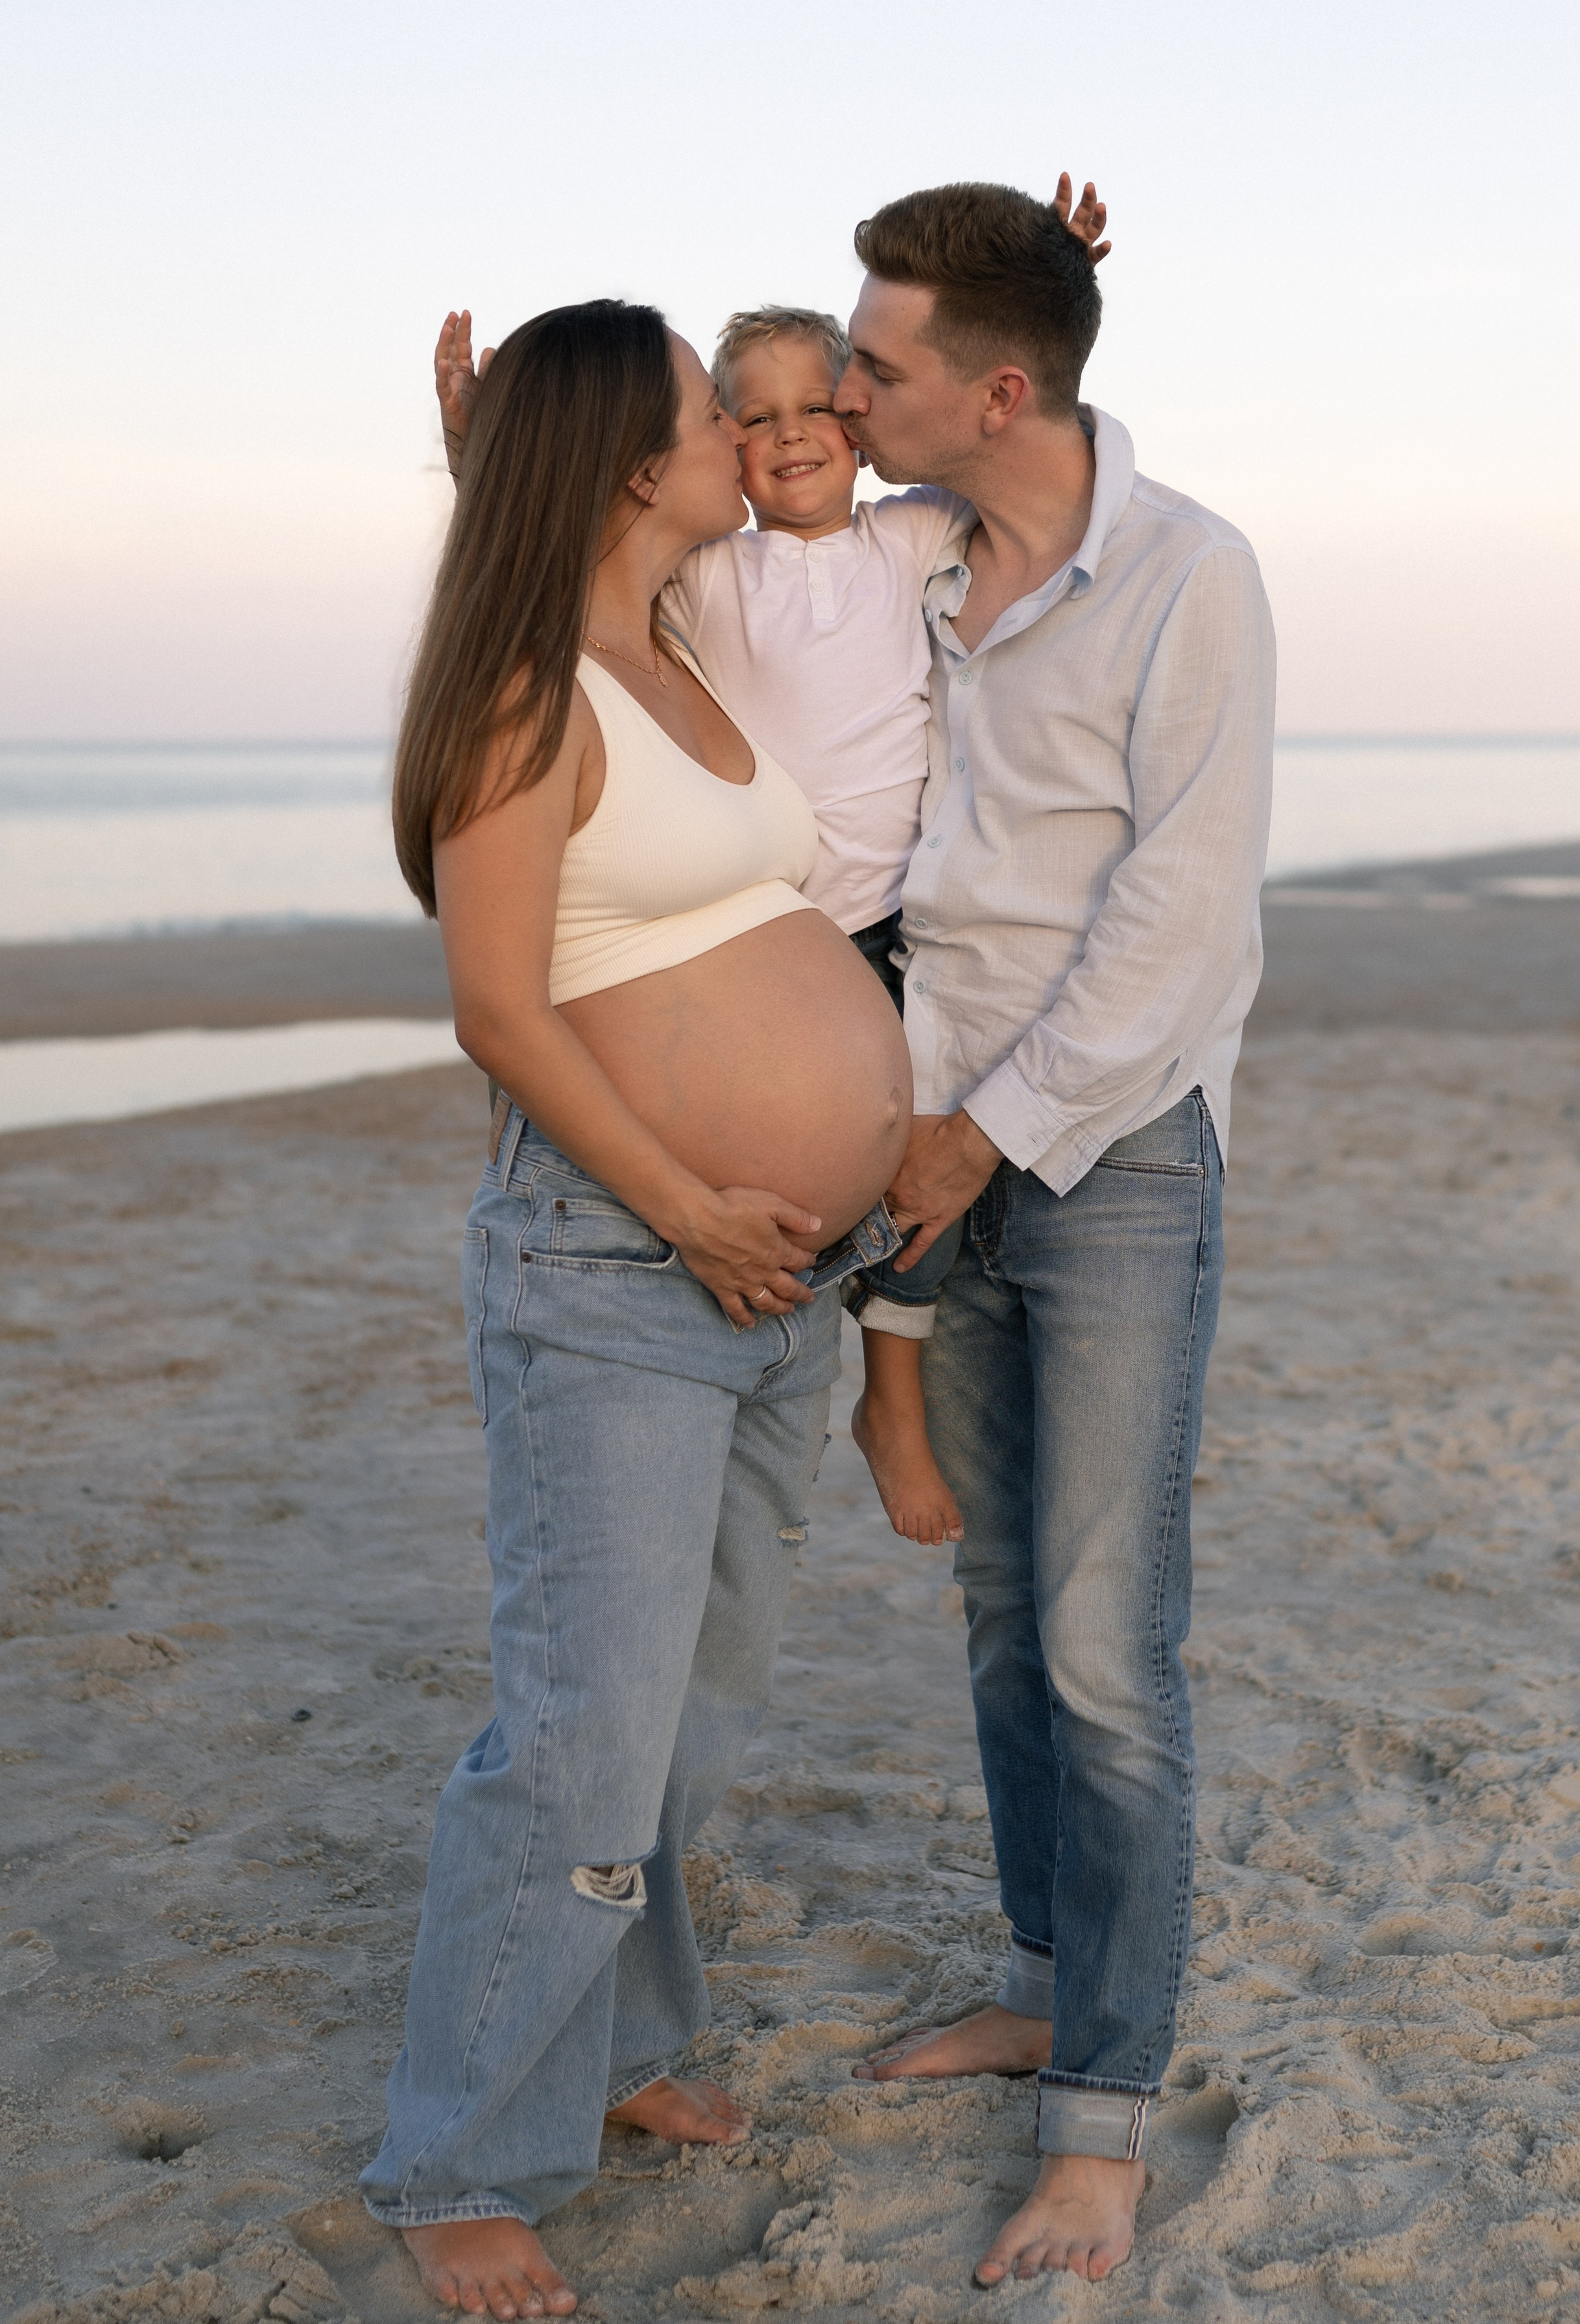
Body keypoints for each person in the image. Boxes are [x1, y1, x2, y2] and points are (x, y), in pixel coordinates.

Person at [363, 299, 915, 2321]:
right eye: (702, 412)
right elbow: (500, 1006)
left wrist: (481, 465)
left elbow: (567, 546)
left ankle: (612, 2055)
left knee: (683, 1728)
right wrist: (688, 1204)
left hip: (782, 1280)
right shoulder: (527, 688)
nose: (741, 439)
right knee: (585, 1741)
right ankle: (457, 2161)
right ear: (628, 461)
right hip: (625, 1270)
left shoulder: (668, 645)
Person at [431, 179, 1112, 1559]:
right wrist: (487, 465)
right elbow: (555, 565)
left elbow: (991, 441)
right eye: (725, 416)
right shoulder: (691, 594)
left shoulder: (905, 538)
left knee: (928, 1175)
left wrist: (1034, 292)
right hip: (664, 1211)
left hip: (876, 979)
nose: (781, 434)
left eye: (820, 408)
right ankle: (888, 1393)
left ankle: (894, 1391)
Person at [832, 183, 1275, 2290]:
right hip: (928, 1144)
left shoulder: (1193, 577)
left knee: (1108, 1653)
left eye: (881, 361)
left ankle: (1098, 2125)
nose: (847, 386)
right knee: (1005, 1618)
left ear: (997, 391)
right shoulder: (914, 549)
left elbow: (1174, 924)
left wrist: (983, 1135)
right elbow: (758, 488)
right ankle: (1038, 1967)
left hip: (1106, 1166)